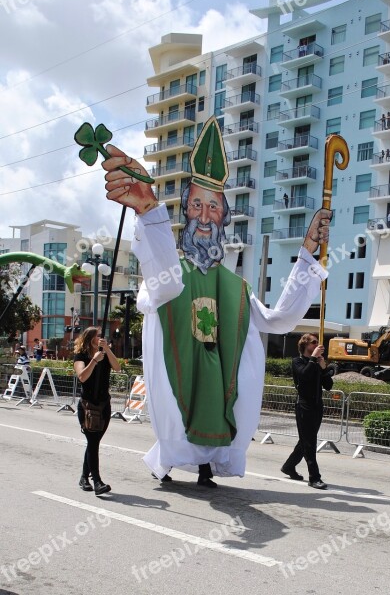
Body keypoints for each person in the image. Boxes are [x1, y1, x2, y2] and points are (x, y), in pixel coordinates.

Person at [102, 116, 331, 488]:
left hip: (218, 377)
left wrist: (307, 254)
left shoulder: (235, 287)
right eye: (196, 206)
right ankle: (167, 463)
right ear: (186, 211)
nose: (205, 217)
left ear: (223, 216)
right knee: (183, 411)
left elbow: (279, 320)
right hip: (185, 371)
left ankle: (205, 468)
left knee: (214, 408)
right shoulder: (174, 274)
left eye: (213, 207)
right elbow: (162, 289)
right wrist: (149, 213)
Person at [281, 333, 333, 489]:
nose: (317, 345)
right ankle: (314, 477)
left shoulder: (315, 363)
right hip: (304, 406)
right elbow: (303, 375)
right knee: (309, 443)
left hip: (317, 405)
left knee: (305, 441)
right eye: (314, 343)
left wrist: (323, 369)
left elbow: (329, 385)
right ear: (305, 345)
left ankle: (289, 466)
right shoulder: (297, 361)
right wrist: (313, 359)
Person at [74, 327, 121, 495]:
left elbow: (117, 367)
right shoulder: (82, 356)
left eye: (102, 336)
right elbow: (82, 377)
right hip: (87, 406)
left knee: (93, 443)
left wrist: (107, 350)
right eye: (98, 336)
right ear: (90, 339)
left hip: (103, 406)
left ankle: (83, 477)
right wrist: (93, 361)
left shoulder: (104, 354)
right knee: (93, 442)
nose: (101, 338)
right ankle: (97, 481)